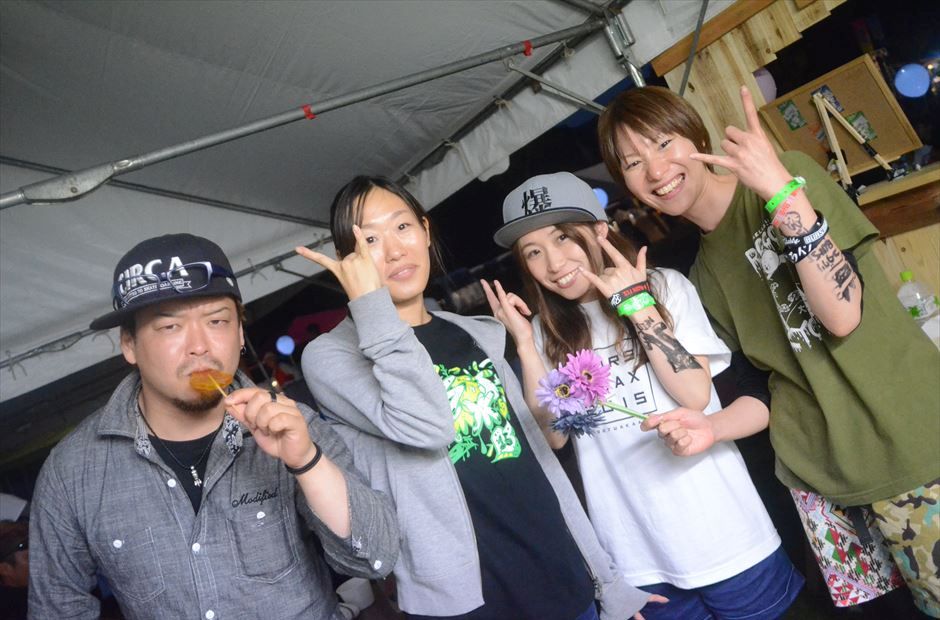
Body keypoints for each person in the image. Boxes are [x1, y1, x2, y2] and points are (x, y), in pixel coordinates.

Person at [596, 85, 940, 616]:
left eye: (663, 143)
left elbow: (842, 314)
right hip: (819, 483)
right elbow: (764, 392)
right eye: (633, 163)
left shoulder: (785, 176)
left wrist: (781, 195)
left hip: (912, 443)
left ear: (695, 136)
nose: (656, 170)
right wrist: (711, 428)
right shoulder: (702, 277)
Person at [297, 176, 664, 619]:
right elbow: (428, 427)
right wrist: (370, 307)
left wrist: (607, 580)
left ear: (425, 231)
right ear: (347, 263)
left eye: (402, 227)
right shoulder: (331, 357)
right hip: (467, 603)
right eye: (370, 240)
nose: (394, 251)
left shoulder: (476, 333)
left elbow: (542, 463)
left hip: (562, 574)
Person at [29, 233, 399, 619]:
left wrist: (307, 461)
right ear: (129, 345)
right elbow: (57, 608)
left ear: (239, 334)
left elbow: (375, 558)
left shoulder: (293, 425)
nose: (200, 345)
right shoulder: (72, 471)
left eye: (217, 321)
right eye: (170, 327)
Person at [486, 171, 803, 620]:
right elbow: (554, 437)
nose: (553, 263)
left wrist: (636, 303)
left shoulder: (664, 287)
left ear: (600, 230)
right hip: (636, 556)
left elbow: (694, 394)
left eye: (563, 237)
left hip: (726, 534)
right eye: (533, 252)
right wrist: (523, 343)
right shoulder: (544, 331)